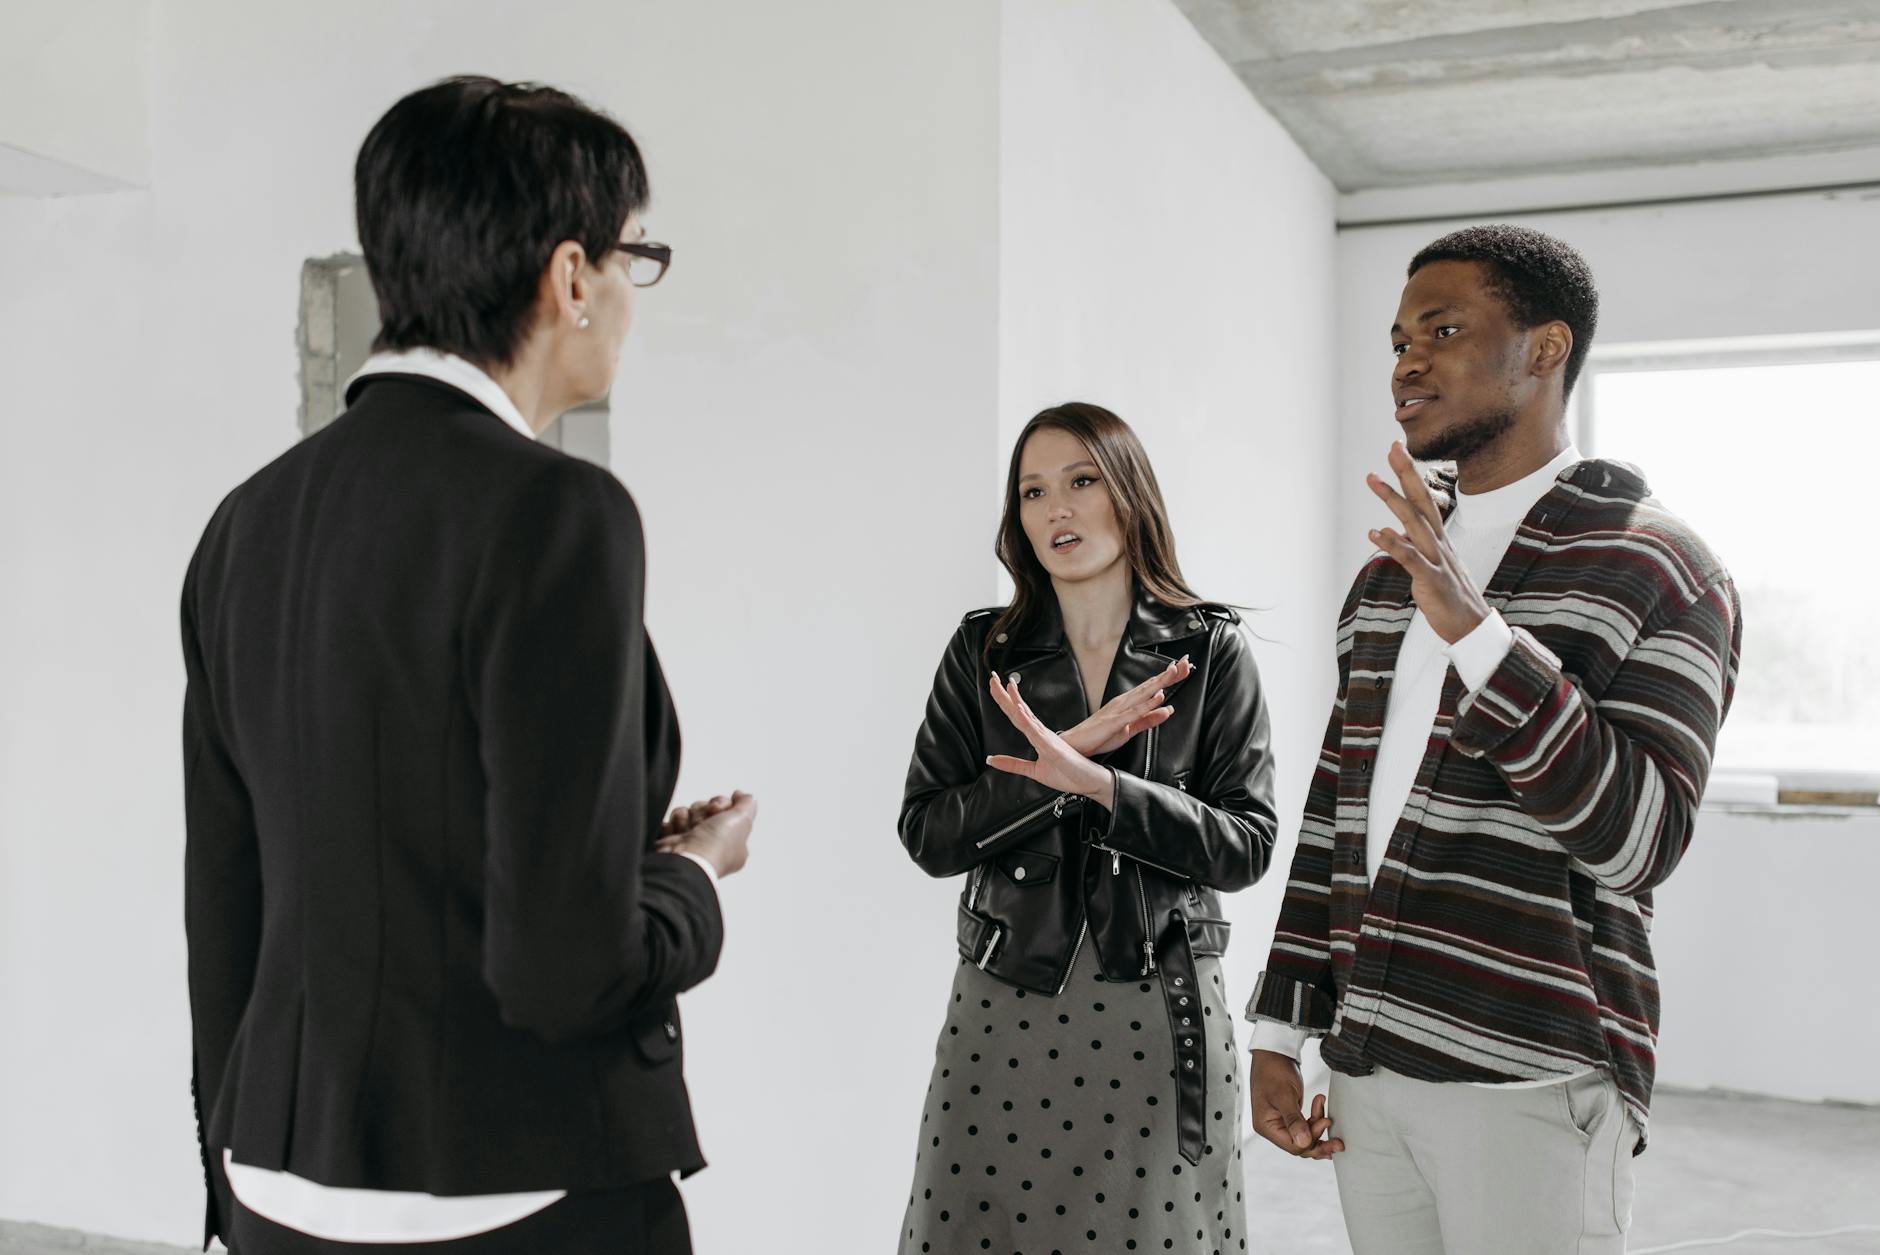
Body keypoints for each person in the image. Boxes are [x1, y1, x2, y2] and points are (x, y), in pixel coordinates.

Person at [181, 76, 754, 1255]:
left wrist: (229, 1184)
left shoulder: (246, 521)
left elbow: (225, 902)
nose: (630, 297)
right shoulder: (560, 514)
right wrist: (691, 874)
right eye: (630, 257)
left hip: (279, 1184)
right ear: (569, 277)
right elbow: (563, 972)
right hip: (514, 1186)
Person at [1245, 225, 1742, 1254]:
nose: (1406, 362)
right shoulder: (1387, 572)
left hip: (1529, 1074)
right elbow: (1336, 806)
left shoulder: (1661, 569)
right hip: (1368, 1071)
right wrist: (1279, 1025)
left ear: (1545, 348)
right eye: (1394, 341)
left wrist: (1479, 634)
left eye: (1442, 329)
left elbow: (1636, 839)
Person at [895, 402, 1280, 1254]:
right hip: (1001, 1002)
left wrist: (1101, 785)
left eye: (1081, 481)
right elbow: (928, 832)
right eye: (1033, 492)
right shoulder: (981, 651)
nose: (1056, 509)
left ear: (1130, 493)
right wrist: (1065, 757)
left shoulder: (1212, 647)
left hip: (1157, 1004)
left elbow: (1246, 841)